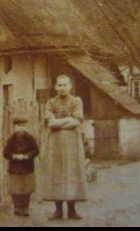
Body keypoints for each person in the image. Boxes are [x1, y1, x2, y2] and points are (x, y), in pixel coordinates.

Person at [40, 74, 86, 220]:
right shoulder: (50, 103)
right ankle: (58, 210)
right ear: (55, 87)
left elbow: (77, 121)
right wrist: (67, 119)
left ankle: (72, 210)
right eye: (59, 85)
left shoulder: (76, 101)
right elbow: (50, 123)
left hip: (72, 142)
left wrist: (60, 122)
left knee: (71, 172)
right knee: (57, 173)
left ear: (70, 86)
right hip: (55, 142)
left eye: (65, 85)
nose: (62, 88)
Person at [3, 116, 40, 217]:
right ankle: (17, 207)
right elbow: (6, 153)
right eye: (19, 126)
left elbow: (36, 150)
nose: (22, 128)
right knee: (16, 189)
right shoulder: (11, 139)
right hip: (15, 168)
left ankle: (25, 207)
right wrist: (14, 156)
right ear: (14, 127)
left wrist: (27, 156)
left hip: (27, 167)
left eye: (24, 126)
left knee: (26, 189)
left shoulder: (30, 138)